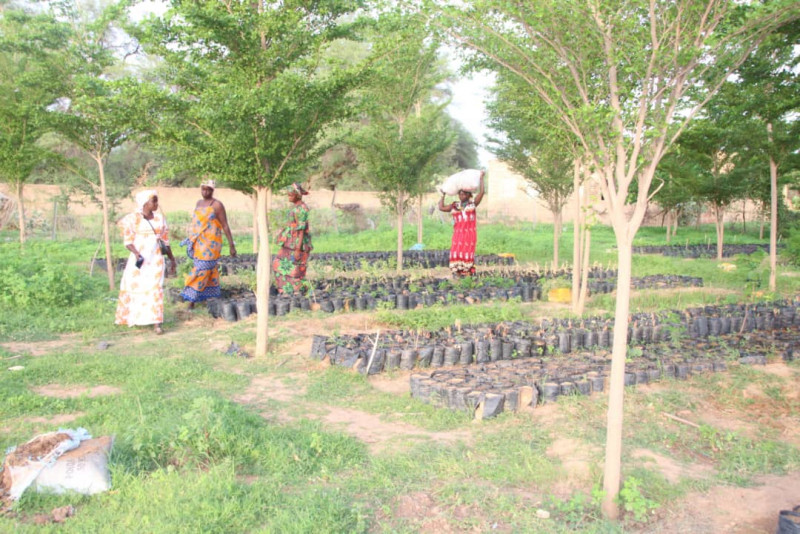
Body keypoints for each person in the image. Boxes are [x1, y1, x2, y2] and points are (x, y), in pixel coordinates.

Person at [115, 190, 177, 334]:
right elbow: (128, 242)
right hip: (140, 260)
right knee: (136, 287)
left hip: (155, 260)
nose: (156, 204)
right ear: (144, 203)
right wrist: (137, 254)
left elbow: (165, 241)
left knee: (155, 288)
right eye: (153, 201)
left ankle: (156, 323)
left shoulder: (160, 219)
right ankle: (133, 318)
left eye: (156, 200)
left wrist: (172, 259)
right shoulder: (133, 219)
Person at [180, 179, 236, 308]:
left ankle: (192, 300)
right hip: (199, 243)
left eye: (208, 189)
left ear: (212, 190)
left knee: (202, 270)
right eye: (203, 189)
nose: (205, 192)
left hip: (211, 245)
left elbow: (225, 225)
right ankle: (207, 297)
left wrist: (231, 245)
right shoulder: (198, 203)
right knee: (207, 270)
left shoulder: (217, 205)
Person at [438, 171, 485, 277]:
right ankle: (457, 272)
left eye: (464, 194)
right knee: (457, 251)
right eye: (460, 194)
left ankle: (467, 273)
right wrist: (443, 194)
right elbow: (441, 207)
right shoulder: (454, 206)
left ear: (469, 195)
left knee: (467, 252)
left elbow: (482, 193)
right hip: (458, 235)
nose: (461, 196)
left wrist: (481, 179)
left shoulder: (472, 205)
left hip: (469, 235)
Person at [272, 182, 312, 294]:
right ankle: (287, 291)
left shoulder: (301, 209)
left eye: (291, 195)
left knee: (295, 269)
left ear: (297, 195)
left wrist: (298, 249)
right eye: (288, 195)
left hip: (296, 244)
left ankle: (296, 292)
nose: (288, 197)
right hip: (290, 243)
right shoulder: (297, 207)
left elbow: (301, 230)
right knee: (281, 265)